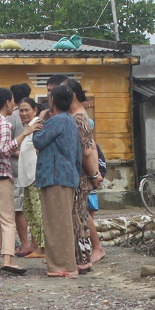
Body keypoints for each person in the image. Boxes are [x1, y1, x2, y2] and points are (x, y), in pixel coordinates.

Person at [0, 87, 41, 275]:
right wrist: (25, 133)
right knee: (7, 220)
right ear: (6, 103)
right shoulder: (4, 124)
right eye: (13, 101)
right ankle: (8, 259)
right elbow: (5, 149)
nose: (15, 105)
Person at [32, 84, 82, 278]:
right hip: (67, 176)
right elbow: (77, 153)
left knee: (56, 223)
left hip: (55, 176)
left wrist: (39, 121)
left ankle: (64, 266)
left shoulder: (56, 121)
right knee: (62, 222)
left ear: (53, 100)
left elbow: (38, 140)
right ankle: (63, 264)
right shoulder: (70, 121)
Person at [66, 79, 104, 272]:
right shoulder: (76, 116)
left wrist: (95, 173)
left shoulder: (79, 118)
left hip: (82, 175)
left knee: (80, 217)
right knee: (79, 216)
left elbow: (87, 151)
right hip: (81, 173)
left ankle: (84, 258)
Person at [16, 97, 45, 259]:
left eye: (27, 109)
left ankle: (43, 247)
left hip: (35, 177)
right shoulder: (28, 128)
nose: (23, 113)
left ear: (35, 110)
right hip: (27, 177)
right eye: (21, 110)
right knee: (29, 210)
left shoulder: (37, 125)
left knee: (38, 212)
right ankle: (37, 244)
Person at [10, 83, 33, 255]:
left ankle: (26, 244)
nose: (24, 113)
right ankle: (31, 244)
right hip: (26, 170)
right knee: (27, 209)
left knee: (22, 210)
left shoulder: (12, 117)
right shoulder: (32, 119)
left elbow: (8, 146)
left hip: (18, 170)